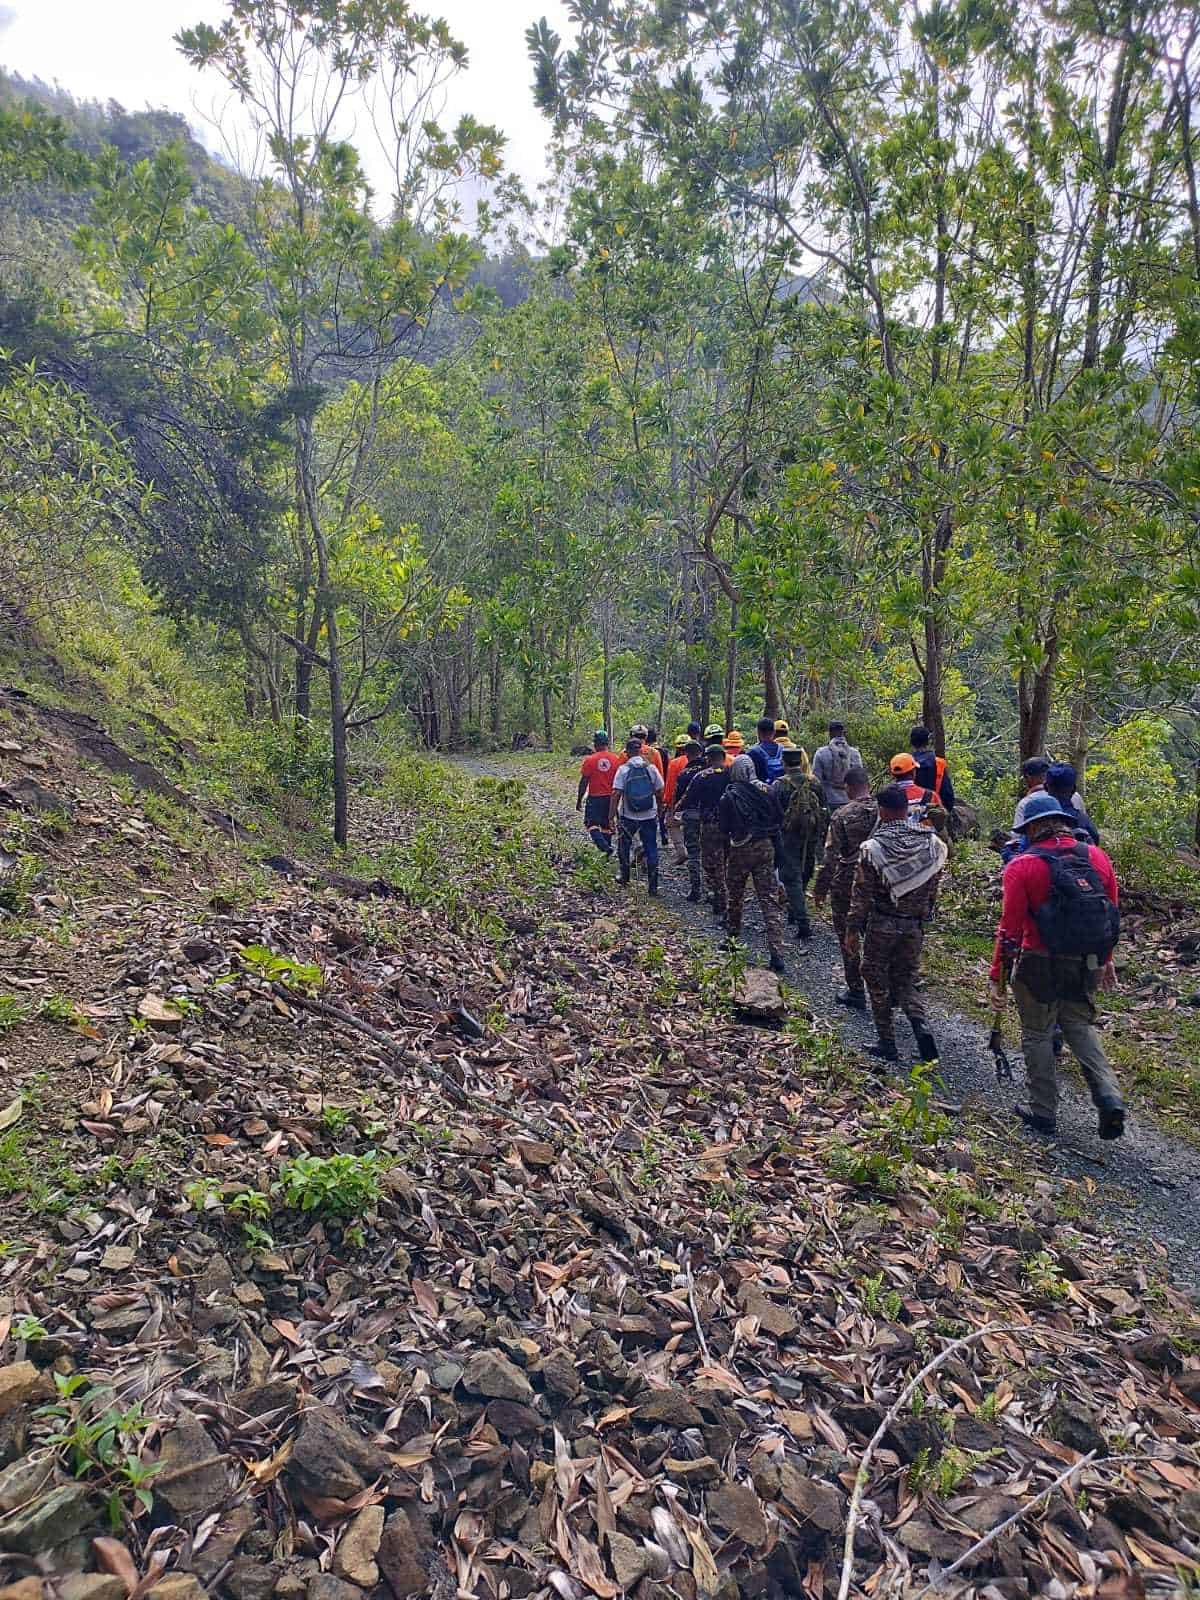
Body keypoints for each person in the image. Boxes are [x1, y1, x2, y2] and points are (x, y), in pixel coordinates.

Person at [989, 792, 1125, 1139]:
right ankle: (1109, 1096)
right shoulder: (1096, 856)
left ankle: (1043, 1111)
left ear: (1031, 827)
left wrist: (997, 978)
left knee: (1037, 1032)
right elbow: (1110, 914)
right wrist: (1106, 960)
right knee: (1080, 1026)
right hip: (1085, 961)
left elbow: (1010, 930)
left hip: (1038, 961)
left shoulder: (1022, 865)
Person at [847, 784, 946, 1062]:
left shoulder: (874, 848)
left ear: (883, 811)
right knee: (906, 978)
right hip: (913, 925)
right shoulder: (932, 844)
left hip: (883, 922)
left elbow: (862, 895)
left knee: (874, 975)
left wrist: (853, 929)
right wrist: (925, 911)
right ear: (906, 810)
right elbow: (934, 888)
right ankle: (919, 1023)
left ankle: (887, 1042)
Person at [813, 768, 877, 1008]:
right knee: (874, 935)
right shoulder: (886, 811)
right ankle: (884, 989)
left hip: (848, 882)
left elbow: (830, 858)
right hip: (880, 882)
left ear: (848, 787)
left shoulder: (842, 815)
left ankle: (856, 990)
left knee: (847, 935)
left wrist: (820, 888)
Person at [718, 754, 787, 972]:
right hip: (765, 847)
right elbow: (779, 818)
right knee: (768, 899)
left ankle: (732, 939)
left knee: (736, 895)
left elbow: (723, 827)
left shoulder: (729, 796)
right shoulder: (768, 790)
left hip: (740, 848)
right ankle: (777, 952)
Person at [772, 747, 827, 942]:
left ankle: (803, 922)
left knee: (791, 877)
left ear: (784, 763)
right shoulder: (815, 783)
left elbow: (774, 814)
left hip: (788, 837)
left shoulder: (779, 785)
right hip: (810, 835)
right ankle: (794, 913)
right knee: (805, 872)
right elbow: (824, 810)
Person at [677, 743, 731, 913]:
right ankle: (723, 897)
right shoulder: (732, 774)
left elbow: (687, 798)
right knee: (725, 861)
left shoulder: (702, 776)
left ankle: (718, 898)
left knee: (711, 863)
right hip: (731, 825)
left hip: (710, 824)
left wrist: (674, 810)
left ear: (708, 758)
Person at [609, 737, 665, 894]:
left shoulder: (623, 770)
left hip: (629, 816)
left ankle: (625, 876)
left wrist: (611, 816)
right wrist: (660, 807)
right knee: (651, 847)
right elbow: (660, 790)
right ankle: (653, 886)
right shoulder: (651, 768)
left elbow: (616, 794)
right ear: (641, 750)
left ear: (627, 753)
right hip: (649, 815)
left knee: (624, 846)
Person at [888, 754, 950, 841]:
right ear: (914, 772)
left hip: (894, 845)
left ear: (892, 774)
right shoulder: (931, 796)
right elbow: (940, 822)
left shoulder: (886, 798)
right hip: (926, 847)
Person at [576, 731, 617, 855]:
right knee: (606, 825)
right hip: (610, 798)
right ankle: (607, 850)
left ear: (595, 743)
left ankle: (605, 848)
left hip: (595, 798)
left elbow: (584, 782)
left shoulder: (590, 760)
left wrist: (579, 799)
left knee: (591, 823)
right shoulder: (615, 759)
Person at [813, 720, 864, 810]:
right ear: (843, 732)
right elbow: (859, 780)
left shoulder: (821, 753)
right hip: (850, 802)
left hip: (829, 801)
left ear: (830, 733)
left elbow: (816, 781)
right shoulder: (855, 753)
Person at [1046, 763, 1100, 845]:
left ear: (1046, 787)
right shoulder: (1083, 821)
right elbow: (1095, 841)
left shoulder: (1035, 822)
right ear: (1074, 789)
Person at [909, 726, 956, 817]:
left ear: (911, 742)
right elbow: (948, 795)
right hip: (933, 812)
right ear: (928, 741)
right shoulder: (938, 763)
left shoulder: (905, 763)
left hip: (907, 813)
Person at [747, 716, 787, 784]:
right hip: (781, 790)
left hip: (762, 792)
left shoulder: (752, 753)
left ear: (758, 732)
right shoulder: (783, 750)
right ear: (774, 732)